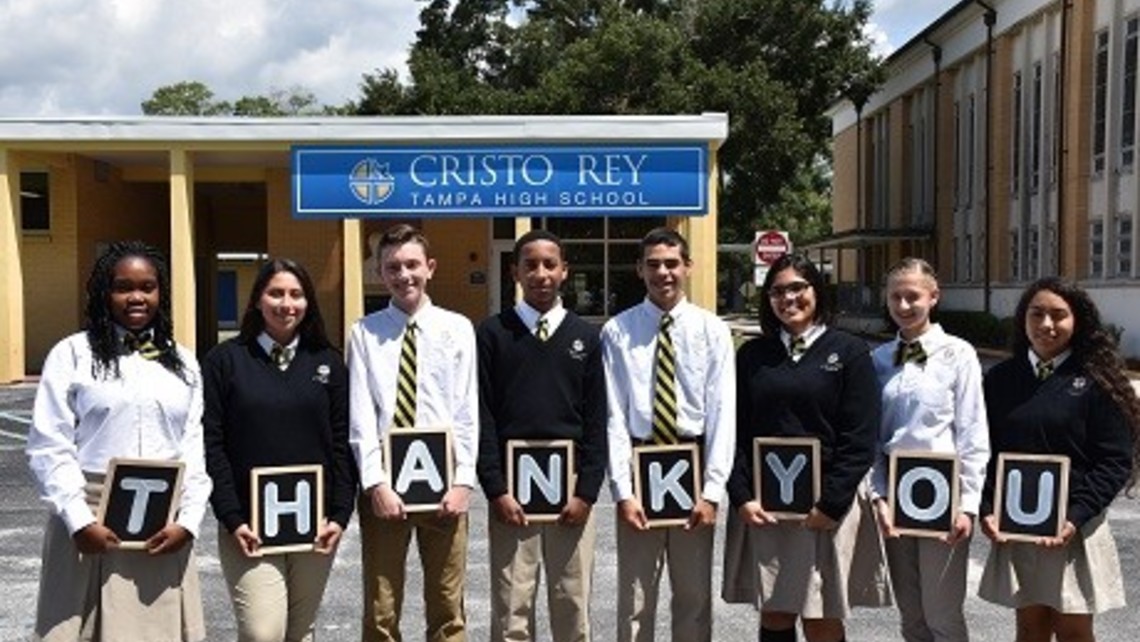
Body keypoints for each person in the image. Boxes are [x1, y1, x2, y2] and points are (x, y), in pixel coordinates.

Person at [26, 240, 212, 642]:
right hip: (89, 518)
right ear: (103, 293)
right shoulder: (72, 354)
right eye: (123, 286)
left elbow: (193, 449)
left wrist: (189, 522)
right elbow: (48, 445)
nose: (136, 297)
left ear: (161, 293)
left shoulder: (183, 363)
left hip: (163, 524)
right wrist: (78, 519)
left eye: (147, 287)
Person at [726, 252, 882, 642]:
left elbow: (860, 436)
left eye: (798, 288)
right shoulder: (752, 356)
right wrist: (742, 495)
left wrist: (831, 504)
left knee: (822, 619)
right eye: (777, 291)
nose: (788, 298)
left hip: (827, 509)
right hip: (767, 507)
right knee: (776, 613)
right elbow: (735, 431)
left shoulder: (849, 352)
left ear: (817, 292)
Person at [978, 277, 1140, 642]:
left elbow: (1114, 461)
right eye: (1036, 314)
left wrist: (1074, 516)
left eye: (1058, 315)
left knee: (1074, 632)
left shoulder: (1098, 381)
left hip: (1074, 528)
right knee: (1029, 629)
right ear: (1023, 320)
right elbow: (984, 450)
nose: (1046, 325)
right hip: (1018, 526)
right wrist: (987, 506)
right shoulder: (1001, 379)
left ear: (1077, 321)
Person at [203, 258, 356, 642]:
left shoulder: (328, 362)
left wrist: (339, 514)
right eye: (275, 293)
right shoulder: (225, 361)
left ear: (308, 303)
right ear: (256, 300)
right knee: (262, 632)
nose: (286, 304)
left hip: (314, 525)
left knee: (300, 632)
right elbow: (212, 444)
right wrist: (231, 517)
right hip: (249, 527)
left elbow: (342, 442)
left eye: (296, 294)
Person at [602, 227, 736, 642]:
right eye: (654, 264)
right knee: (636, 597)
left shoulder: (712, 330)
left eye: (672, 263)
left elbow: (722, 414)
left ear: (688, 267)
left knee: (693, 597)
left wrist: (712, 492)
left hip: (691, 468)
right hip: (640, 468)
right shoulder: (617, 331)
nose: (664, 272)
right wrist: (623, 492)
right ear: (640, 270)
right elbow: (614, 416)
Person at [347, 224, 478, 642]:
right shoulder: (364, 333)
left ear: (431, 268)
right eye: (393, 267)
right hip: (386, 488)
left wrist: (462, 481)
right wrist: (375, 484)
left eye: (412, 265)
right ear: (380, 274)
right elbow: (361, 416)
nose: (404, 275)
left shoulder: (457, 328)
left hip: (444, 487)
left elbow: (466, 410)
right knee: (381, 608)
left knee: (447, 605)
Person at [476, 229, 608, 642]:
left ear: (565, 271)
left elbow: (597, 420)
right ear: (514, 271)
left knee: (571, 603)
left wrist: (586, 492)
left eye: (550, 264)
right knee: (511, 608)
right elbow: (482, 416)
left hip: (569, 492)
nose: (540, 273)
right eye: (530, 264)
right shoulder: (493, 335)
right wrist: (496, 488)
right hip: (513, 494)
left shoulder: (586, 338)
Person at [869, 258, 989, 642]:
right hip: (895, 498)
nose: (903, 306)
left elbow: (973, 433)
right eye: (895, 297)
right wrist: (879, 495)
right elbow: (871, 438)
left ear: (934, 297)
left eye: (913, 296)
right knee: (911, 614)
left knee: (943, 614)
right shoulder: (877, 360)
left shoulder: (959, 354)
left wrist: (968, 504)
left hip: (944, 497)